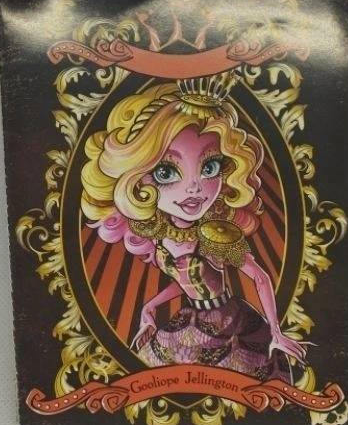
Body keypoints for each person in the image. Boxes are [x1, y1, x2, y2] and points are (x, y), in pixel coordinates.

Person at [80, 73, 305, 382]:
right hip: (189, 318)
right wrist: (149, 308)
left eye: (210, 167)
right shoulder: (160, 235)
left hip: (229, 323)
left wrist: (277, 332)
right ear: (135, 179)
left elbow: (260, 277)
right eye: (166, 171)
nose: (195, 188)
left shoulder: (214, 235)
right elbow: (186, 281)